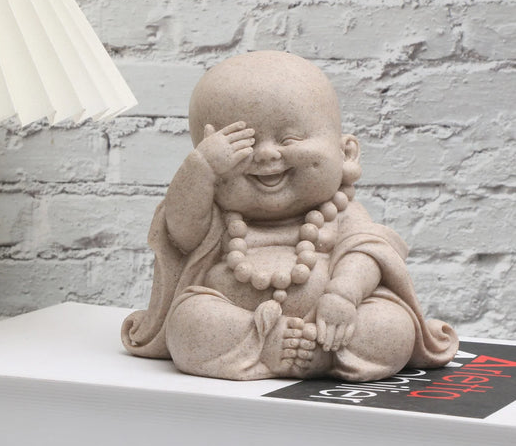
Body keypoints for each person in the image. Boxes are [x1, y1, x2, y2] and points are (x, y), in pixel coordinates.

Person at [122, 51, 458, 381]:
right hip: (237, 317)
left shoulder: (341, 212)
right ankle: (269, 345)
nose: (266, 154)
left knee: (391, 326)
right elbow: (180, 232)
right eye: (241, 144)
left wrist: (344, 295)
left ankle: (322, 354)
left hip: (333, 322)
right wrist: (200, 169)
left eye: (289, 138)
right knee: (190, 322)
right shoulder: (216, 216)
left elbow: (368, 252)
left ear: (346, 153)